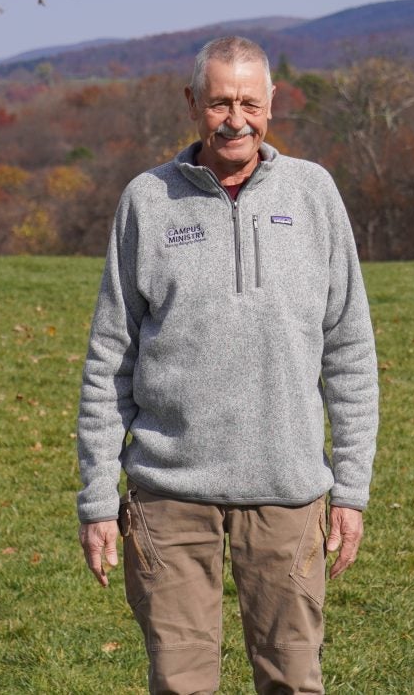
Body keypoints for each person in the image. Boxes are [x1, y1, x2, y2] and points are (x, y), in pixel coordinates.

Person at [75, 35, 380, 694]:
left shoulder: (314, 195)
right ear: (193, 104)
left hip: (288, 491)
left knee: (293, 681)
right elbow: (109, 364)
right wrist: (99, 500)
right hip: (169, 497)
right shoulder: (148, 201)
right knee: (182, 685)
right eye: (219, 102)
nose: (235, 118)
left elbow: (350, 352)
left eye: (249, 101)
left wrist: (350, 490)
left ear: (273, 104)